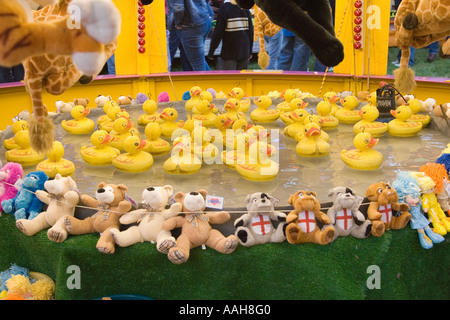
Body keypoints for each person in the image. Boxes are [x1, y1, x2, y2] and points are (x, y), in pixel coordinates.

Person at [167, 0, 213, 71]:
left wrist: (179, 23)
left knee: (198, 65)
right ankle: (211, 81)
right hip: (203, 19)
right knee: (199, 61)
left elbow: (178, 7)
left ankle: (206, 82)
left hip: (190, 25)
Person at [207, 0, 253, 70]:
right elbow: (250, 32)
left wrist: (211, 51)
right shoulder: (245, 8)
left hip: (230, 52)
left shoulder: (225, 8)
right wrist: (250, 51)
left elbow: (218, 33)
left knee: (230, 77)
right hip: (244, 50)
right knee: (242, 78)